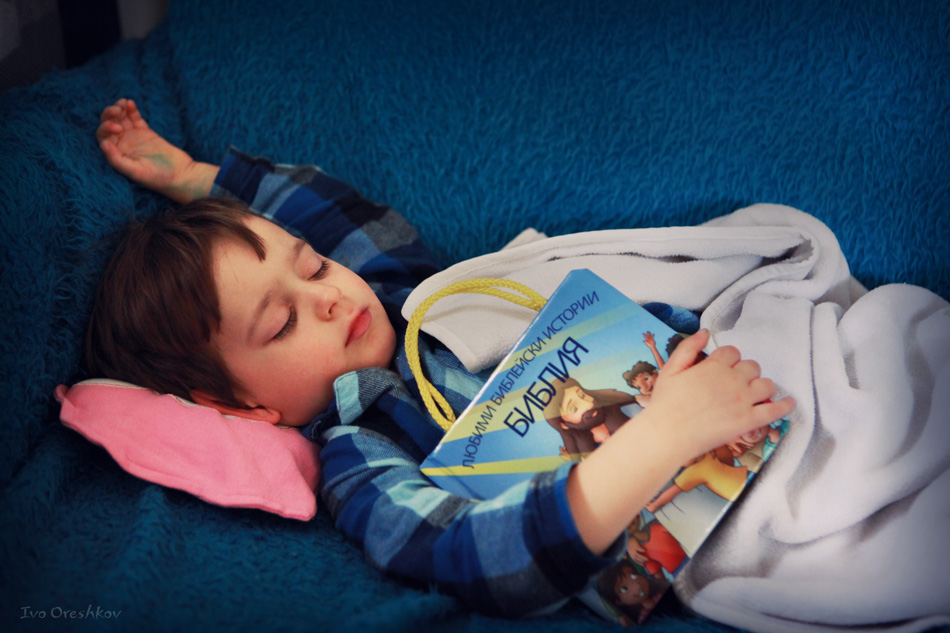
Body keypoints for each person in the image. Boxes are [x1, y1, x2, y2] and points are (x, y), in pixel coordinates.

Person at [88, 98, 795, 618]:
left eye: (313, 267)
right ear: (244, 405)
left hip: (730, 361)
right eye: (282, 323)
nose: (328, 297)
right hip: (694, 490)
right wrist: (663, 434)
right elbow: (472, 554)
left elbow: (333, 215)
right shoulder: (358, 456)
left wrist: (194, 178)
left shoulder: (405, 295)